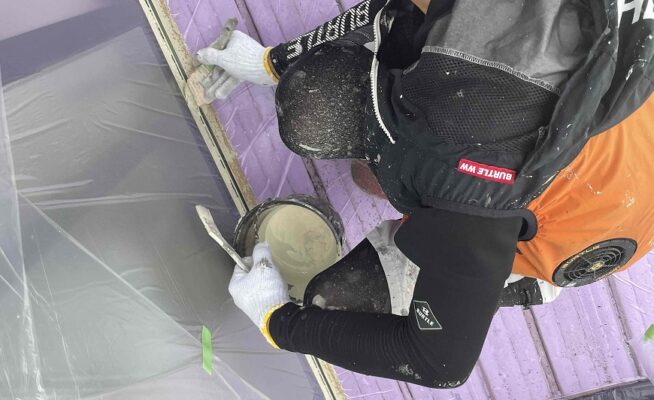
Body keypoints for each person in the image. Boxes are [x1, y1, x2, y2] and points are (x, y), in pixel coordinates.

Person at [197, 0, 654, 389]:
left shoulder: (475, 200)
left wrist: (278, 322)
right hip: (630, 128)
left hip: (574, 238)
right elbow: (389, 12)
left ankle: (518, 284)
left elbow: (441, 363)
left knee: (333, 301)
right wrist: (273, 63)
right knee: (332, 130)